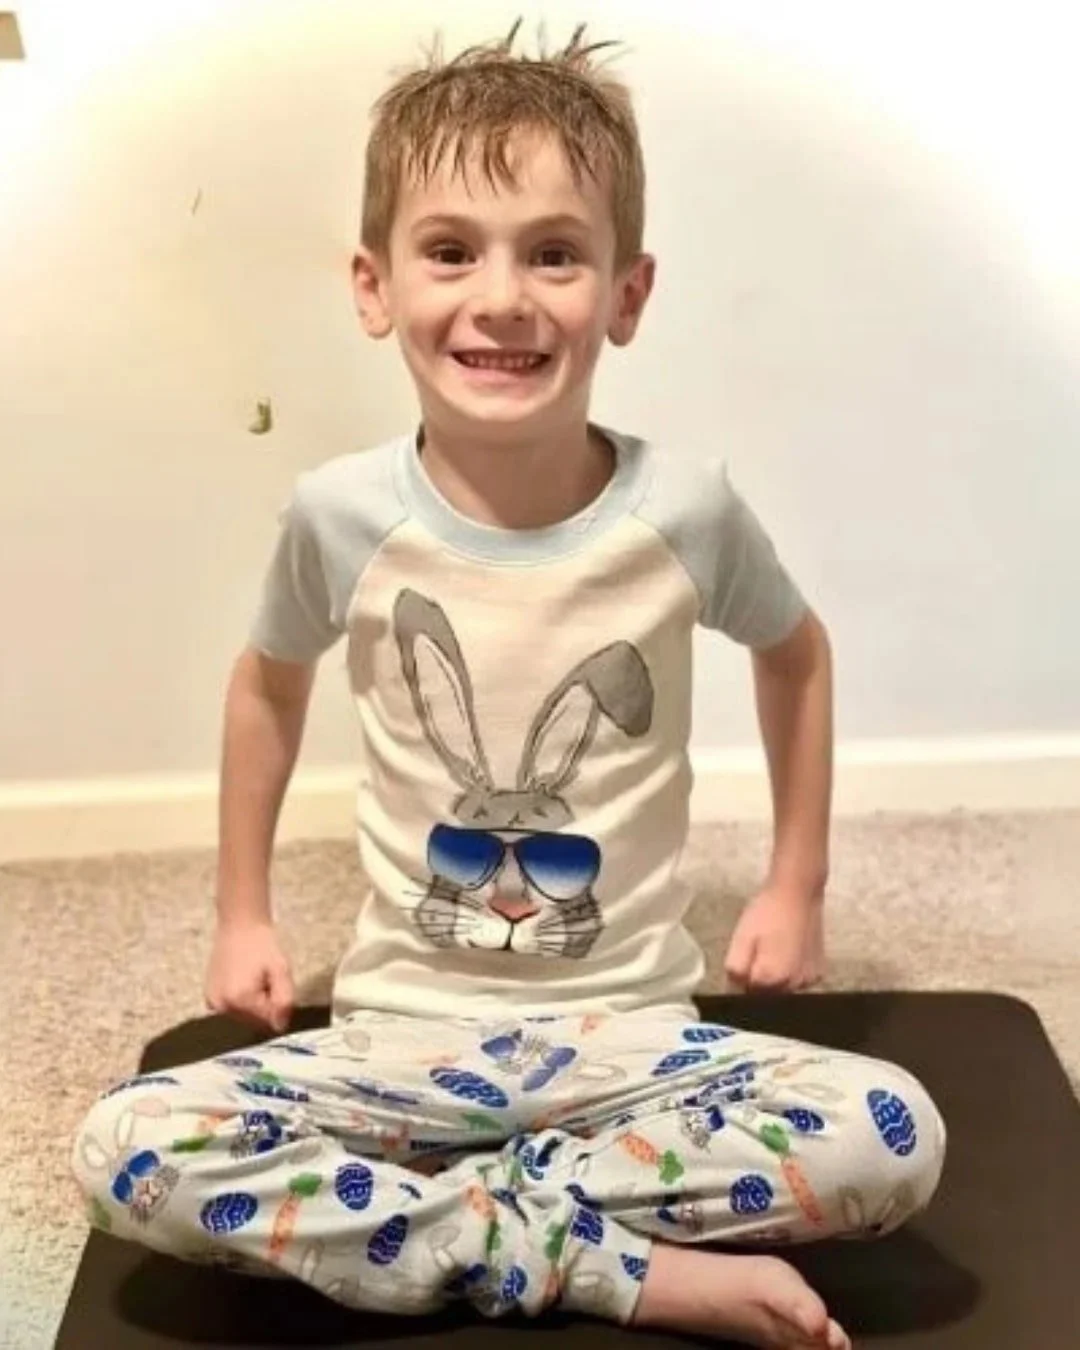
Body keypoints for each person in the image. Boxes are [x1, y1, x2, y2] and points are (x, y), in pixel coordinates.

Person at [72, 21, 945, 1349]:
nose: (503, 297)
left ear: (626, 292)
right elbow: (265, 688)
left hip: (634, 1046)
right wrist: (239, 911)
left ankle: (444, 1230)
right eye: (450, 251)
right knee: (125, 1143)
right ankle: (610, 1263)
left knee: (894, 1135)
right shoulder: (339, 516)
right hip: (399, 1045)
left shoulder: (686, 511)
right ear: (374, 285)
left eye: (553, 252)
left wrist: (793, 882)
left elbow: (797, 652)